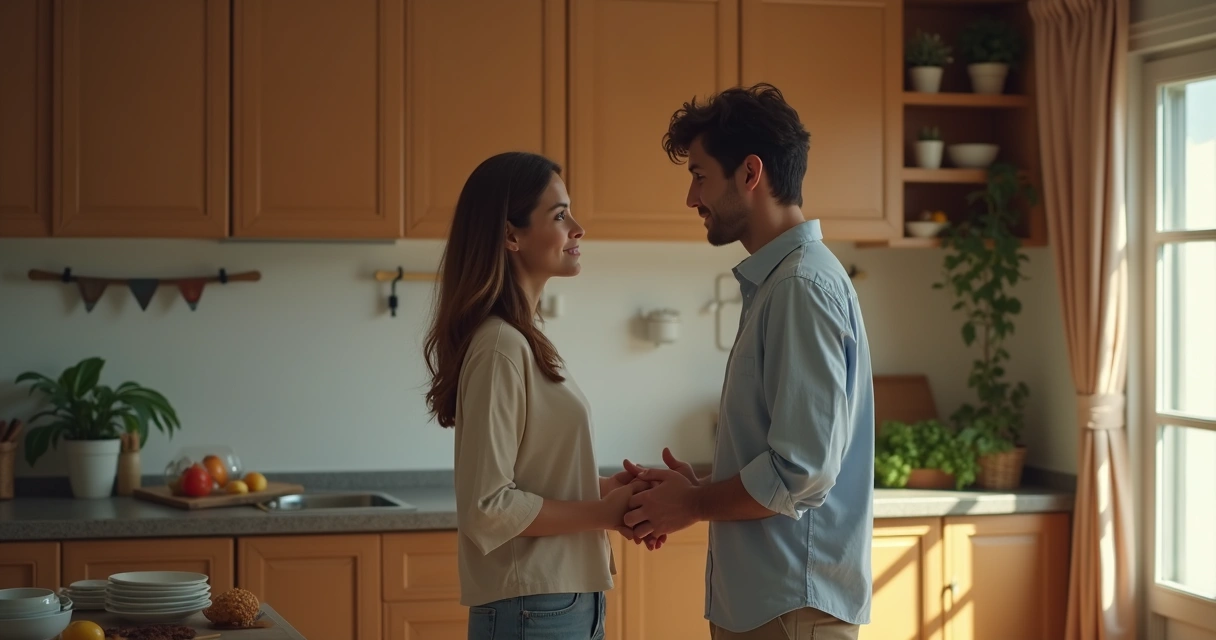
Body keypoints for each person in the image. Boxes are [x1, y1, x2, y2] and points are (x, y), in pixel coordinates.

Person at [620, 83, 876, 639]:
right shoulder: (781, 282)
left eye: (700, 175)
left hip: (790, 607)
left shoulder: (800, 286)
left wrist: (693, 504)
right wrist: (702, 485)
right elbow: (785, 453)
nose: (692, 198)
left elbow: (801, 472)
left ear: (750, 173)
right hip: (775, 605)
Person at [423, 151, 644, 640]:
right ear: (510, 235)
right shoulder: (501, 346)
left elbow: (529, 479)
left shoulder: (520, 340)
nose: (578, 228)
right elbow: (488, 506)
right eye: (560, 215)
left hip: (555, 601)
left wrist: (606, 491)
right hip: (534, 607)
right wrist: (602, 512)